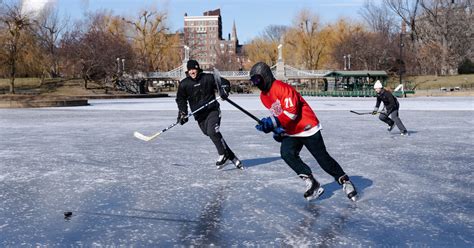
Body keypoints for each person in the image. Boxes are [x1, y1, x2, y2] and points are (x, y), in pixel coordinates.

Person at [249, 62, 357, 201]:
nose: (256, 84)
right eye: (253, 81)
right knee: (287, 153)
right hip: (292, 131)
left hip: (307, 127)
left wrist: (273, 123)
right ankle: (312, 182)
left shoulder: (282, 88)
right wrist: (277, 129)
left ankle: (344, 180)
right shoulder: (264, 96)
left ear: (266, 76)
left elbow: (291, 113)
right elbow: (279, 114)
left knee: (323, 159)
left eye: (257, 80)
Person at [176, 59, 243, 170]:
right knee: (211, 134)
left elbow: (224, 83)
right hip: (199, 116)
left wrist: (225, 90)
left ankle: (223, 154)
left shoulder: (207, 78)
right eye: (190, 70)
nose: (192, 72)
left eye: (194, 69)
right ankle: (232, 157)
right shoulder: (184, 84)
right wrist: (183, 113)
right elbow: (181, 99)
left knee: (213, 131)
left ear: (198, 69)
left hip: (212, 111)